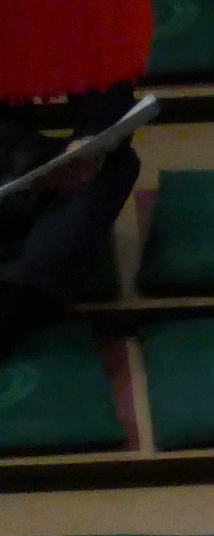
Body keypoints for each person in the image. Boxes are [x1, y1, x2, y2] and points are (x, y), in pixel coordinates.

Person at [0, 0, 156, 361]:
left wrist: (85, 149)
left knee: (114, 168)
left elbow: (108, 108)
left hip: (19, 164)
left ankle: (15, 296)